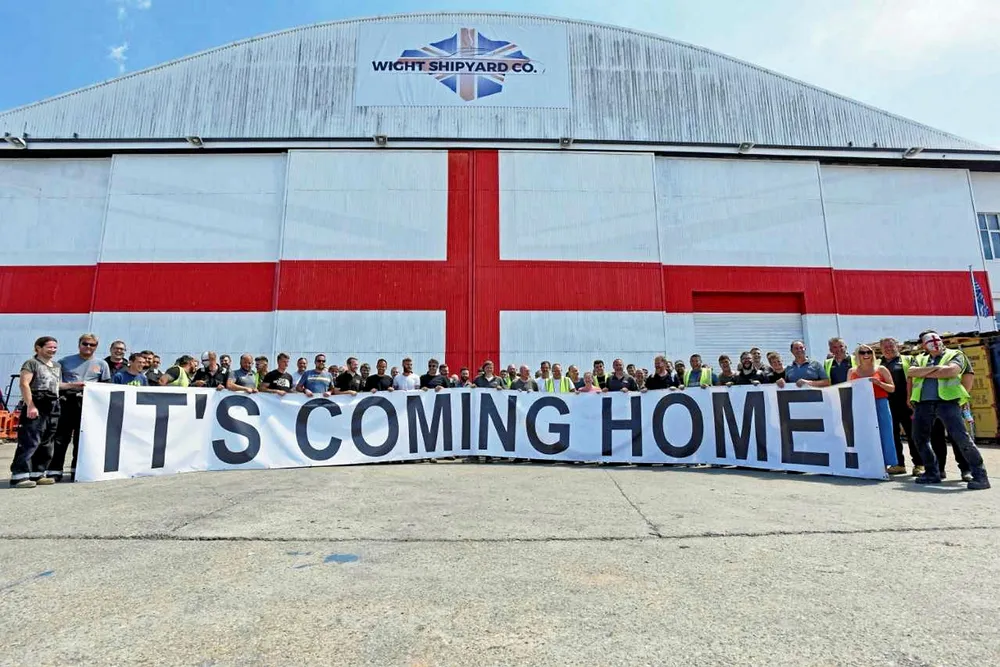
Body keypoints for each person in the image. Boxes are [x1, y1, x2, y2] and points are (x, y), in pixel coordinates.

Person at [907, 329, 989, 489]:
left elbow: (952, 371)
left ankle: (980, 476)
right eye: (930, 342)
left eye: (937, 340)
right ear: (924, 346)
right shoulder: (919, 358)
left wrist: (924, 372)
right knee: (919, 438)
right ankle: (932, 472)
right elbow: (911, 372)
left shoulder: (955, 354)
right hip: (923, 403)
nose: (936, 344)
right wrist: (939, 369)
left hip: (948, 402)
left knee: (961, 438)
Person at [52, 333, 111, 483]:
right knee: (61, 438)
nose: (88, 347)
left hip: (89, 406)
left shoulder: (102, 364)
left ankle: (76, 471)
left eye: (92, 345)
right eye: (85, 344)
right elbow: (56, 384)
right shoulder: (64, 362)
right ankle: (54, 471)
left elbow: (105, 387)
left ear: (96, 347)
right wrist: (73, 386)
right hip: (67, 403)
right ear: (79, 344)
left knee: (82, 440)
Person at [9, 337, 62, 488]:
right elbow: (24, 384)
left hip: (53, 405)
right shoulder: (31, 363)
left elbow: (58, 385)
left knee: (47, 441)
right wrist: (31, 406)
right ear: (38, 348)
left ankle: (38, 473)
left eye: (55, 347)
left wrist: (78, 385)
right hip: (37, 403)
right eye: (49, 347)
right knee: (30, 441)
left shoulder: (57, 366)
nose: (53, 350)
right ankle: (19, 476)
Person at [848, 344, 897, 469]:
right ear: (857, 355)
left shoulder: (881, 369)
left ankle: (886, 463)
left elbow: (892, 388)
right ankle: (867, 462)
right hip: (862, 404)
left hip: (880, 403)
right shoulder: (852, 371)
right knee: (865, 433)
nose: (866, 355)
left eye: (869, 352)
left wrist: (879, 383)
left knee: (885, 433)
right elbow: (848, 390)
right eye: (862, 352)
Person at [879, 337, 922, 476]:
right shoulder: (878, 364)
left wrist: (914, 400)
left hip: (907, 403)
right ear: (881, 349)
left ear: (897, 346)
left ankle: (919, 464)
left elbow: (916, 380)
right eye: (885, 347)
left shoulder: (908, 360)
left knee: (913, 434)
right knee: (892, 435)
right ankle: (898, 464)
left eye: (891, 346)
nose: (888, 349)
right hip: (887, 404)